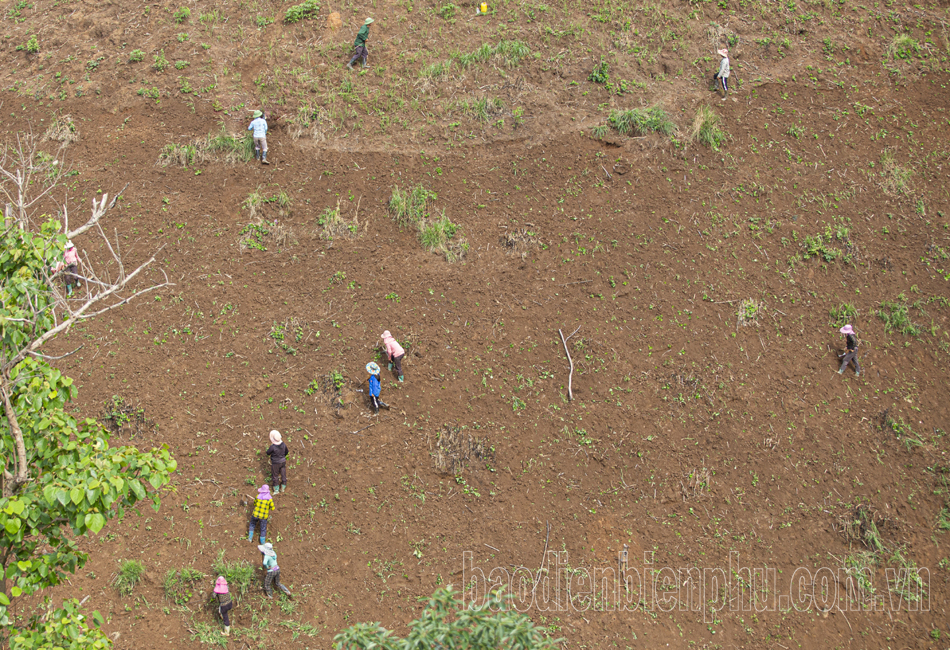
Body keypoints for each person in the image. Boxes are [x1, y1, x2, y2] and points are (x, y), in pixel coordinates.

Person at [266, 430, 288, 495]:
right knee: (283, 473)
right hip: (283, 461)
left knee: (275, 475)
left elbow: (268, 453)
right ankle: (283, 486)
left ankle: (276, 490)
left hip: (275, 463)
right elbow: (286, 452)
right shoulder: (283, 444)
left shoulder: (272, 447)